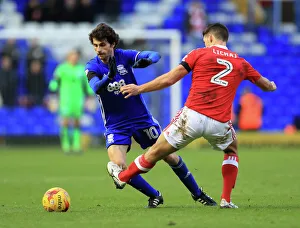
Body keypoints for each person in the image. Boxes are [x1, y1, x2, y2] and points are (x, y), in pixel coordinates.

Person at [108, 23, 277, 209]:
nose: (204, 43)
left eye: (205, 40)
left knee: (155, 152)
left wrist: (140, 88)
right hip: (220, 123)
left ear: (211, 38)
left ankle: (122, 176)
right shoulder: (241, 63)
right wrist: (272, 85)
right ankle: (226, 200)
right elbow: (265, 86)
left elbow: (170, 79)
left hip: (192, 117)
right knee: (231, 151)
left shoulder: (199, 53)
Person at [85, 23, 217, 208]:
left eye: (102, 45)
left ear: (112, 43)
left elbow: (154, 55)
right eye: (95, 45)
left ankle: (197, 193)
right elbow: (95, 88)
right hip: (116, 125)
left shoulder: (124, 56)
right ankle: (155, 195)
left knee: (170, 157)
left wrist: (145, 60)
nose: (99, 49)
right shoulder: (92, 66)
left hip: (141, 119)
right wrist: (109, 76)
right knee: (118, 167)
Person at [49, 49, 93, 154]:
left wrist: (90, 92)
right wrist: (53, 87)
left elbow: (86, 83)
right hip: (65, 98)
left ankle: (76, 145)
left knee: (77, 122)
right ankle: (66, 145)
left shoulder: (81, 68)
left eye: (76, 56)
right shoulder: (62, 68)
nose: (74, 58)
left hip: (78, 98)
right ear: (68, 57)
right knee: (65, 121)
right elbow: (55, 81)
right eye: (72, 56)